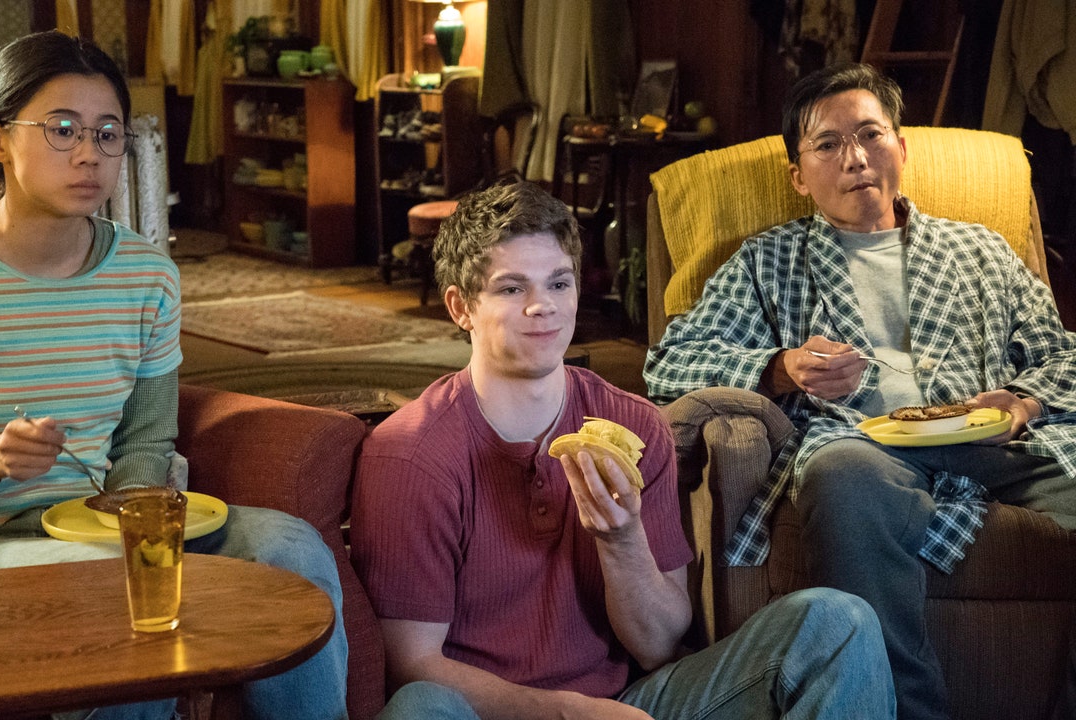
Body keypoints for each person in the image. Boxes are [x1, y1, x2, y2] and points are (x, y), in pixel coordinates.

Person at [0, 31, 346, 720]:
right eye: (62, 129)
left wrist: (135, 521)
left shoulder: (147, 275)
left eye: (109, 134)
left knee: (293, 547)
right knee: (119, 590)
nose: (89, 154)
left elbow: (146, 440)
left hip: (99, 530)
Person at [351, 181, 894, 719]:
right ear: (461, 307)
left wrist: (622, 540)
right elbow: (411, 664)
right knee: (421, 708)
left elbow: (658, 646)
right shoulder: (410, 454)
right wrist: (566, 714)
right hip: (490, 711)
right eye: (512, 289)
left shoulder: (632, 424)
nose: (543, 307)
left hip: (630, 706)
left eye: (558, 283)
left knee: (838, 621)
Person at [643, 62, 1076, 720]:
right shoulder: (769, 260)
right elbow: (668, 364)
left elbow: (1059, 355)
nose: (856, 159)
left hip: (992, 439)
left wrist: (1022, 401)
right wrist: (781, 367)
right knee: (839, 478)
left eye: (871, 135)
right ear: (798, 174)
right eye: (827, 144)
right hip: (864, 444)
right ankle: (906, 710)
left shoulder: (979, 250)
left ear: (900, 148)